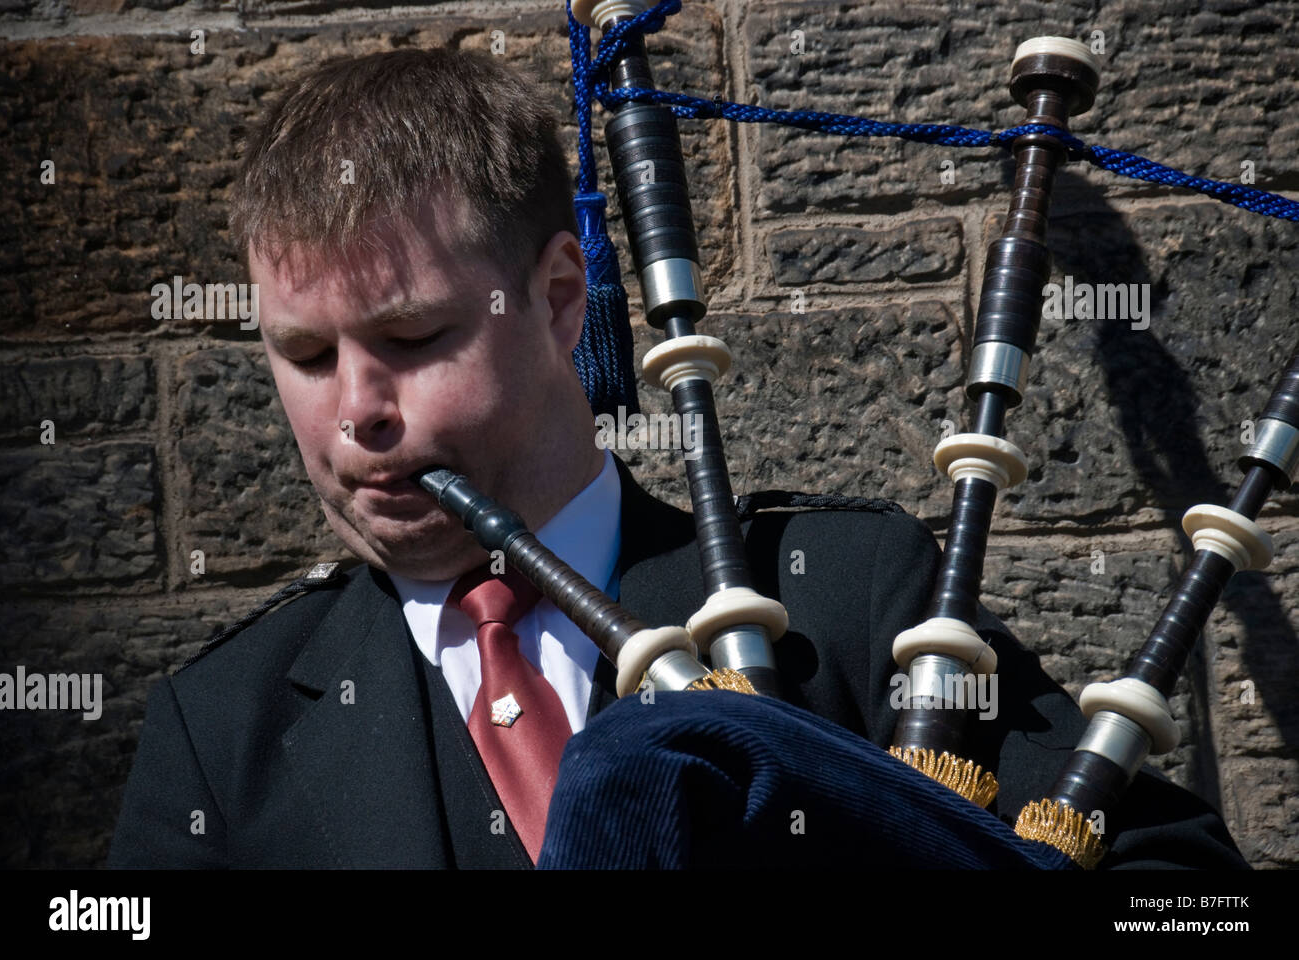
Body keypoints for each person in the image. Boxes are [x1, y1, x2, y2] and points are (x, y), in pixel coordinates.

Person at [108, 46, 1248, 870]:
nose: (356, 410)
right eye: (304, 354)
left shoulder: (848, 600)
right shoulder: (225, 733)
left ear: (559, 299)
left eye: (412, 339)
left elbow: (1188, 887)